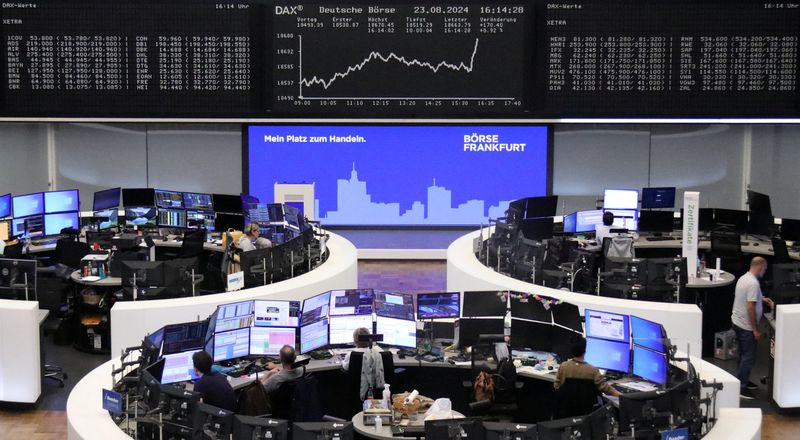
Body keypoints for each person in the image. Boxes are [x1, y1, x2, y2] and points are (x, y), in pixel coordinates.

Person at [731, 256, 774, 400]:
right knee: (748, 358)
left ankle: (741, 380)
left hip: (737, 322)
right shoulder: (753, 284)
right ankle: (741, 387)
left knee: (742, 355)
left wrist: (762, 298)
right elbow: (750, 308)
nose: (765, 271)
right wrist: (755, 329)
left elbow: (748, 298)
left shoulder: (744, 278)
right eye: (765, 269)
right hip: (746, 327)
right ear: (760, 267)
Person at [554, 336, 621, 397]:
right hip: (588, 408)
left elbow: (556, 386)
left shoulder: (563, 366)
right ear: (585, 350)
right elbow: (606, 389)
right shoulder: (593, 370)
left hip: (566, 407)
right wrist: (622, 396)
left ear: (571, 350)